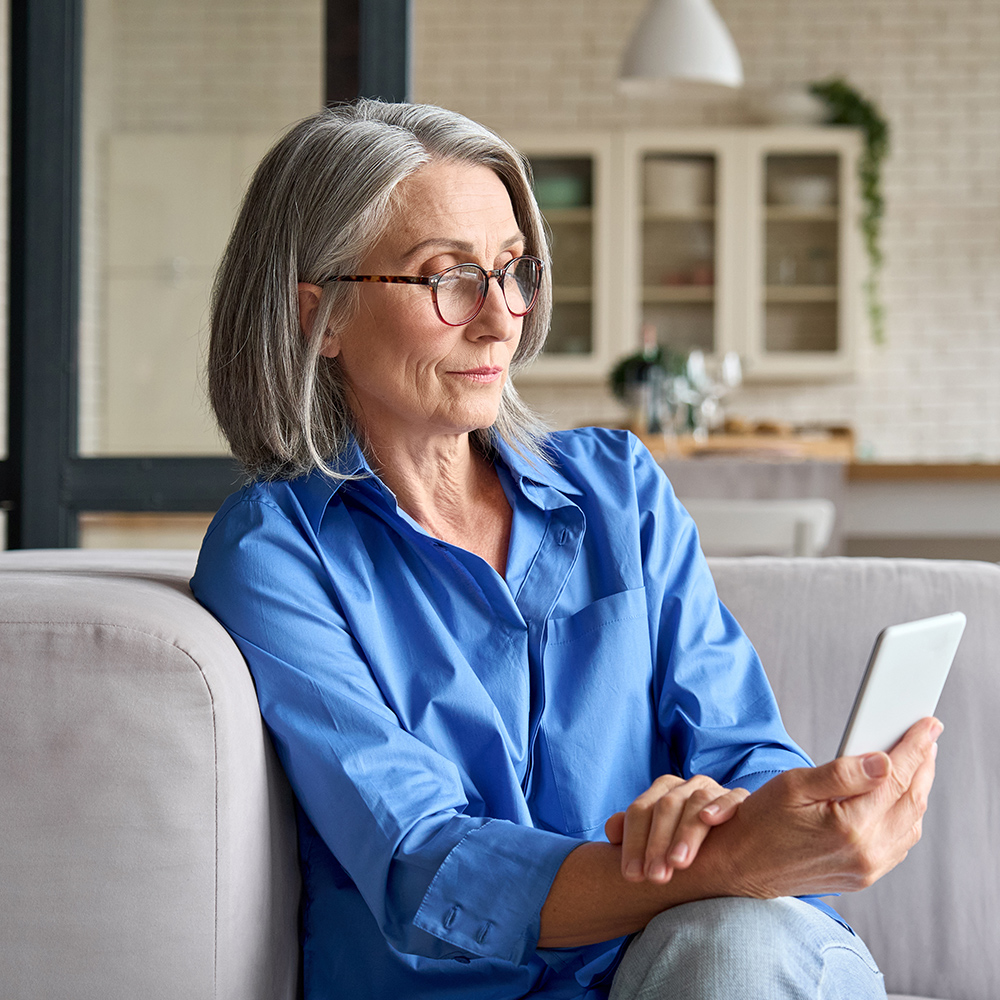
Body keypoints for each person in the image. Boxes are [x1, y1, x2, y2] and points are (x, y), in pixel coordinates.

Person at [190, 100, 939, 1000]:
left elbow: (743, 748)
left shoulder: (617, 489)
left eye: (513, 272)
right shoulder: (279, 551)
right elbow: (424, 862)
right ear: (324, 317)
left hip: (702, 963)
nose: (502, 319)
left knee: (739, 950)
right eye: (450, 277)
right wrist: (723, 857)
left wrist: (742, 816)